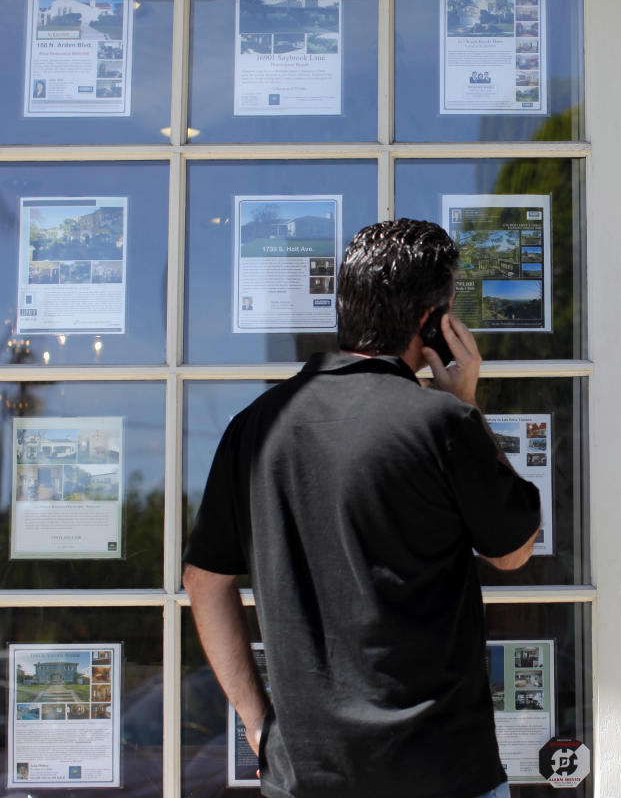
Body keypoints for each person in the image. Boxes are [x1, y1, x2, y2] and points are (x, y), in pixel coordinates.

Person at [183, 218, 541, 798]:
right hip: (441, 773)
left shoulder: (252, 429)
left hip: (305, 775)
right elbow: (514, 551)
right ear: (434, 322)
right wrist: (467, 403)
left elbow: (203, 583)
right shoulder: (444, 425)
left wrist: (257, 722)